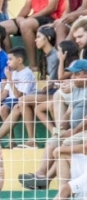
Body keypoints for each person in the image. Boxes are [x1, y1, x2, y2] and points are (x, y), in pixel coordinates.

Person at [19, 59, 87, 190]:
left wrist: (73, 132)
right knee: (53, 141)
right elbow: (69, 112)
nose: (72, 78)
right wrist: (62, 128)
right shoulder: (78, 89)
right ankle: (40, 174)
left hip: (83, 131)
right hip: (75, 130)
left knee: (66, 143)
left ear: (85, 75)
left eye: (75, 74)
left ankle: (46, 180)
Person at [0, 47, 38, 142]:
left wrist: (9, 79)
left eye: (10, 59)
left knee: (9, 108)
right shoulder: (12, 73)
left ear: (19, 60)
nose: (7, 62)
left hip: (23, 100)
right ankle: (11, 141)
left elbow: (19, 96)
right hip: (11, 100)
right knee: (2, 109)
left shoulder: (27, 73)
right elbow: (5, 92)